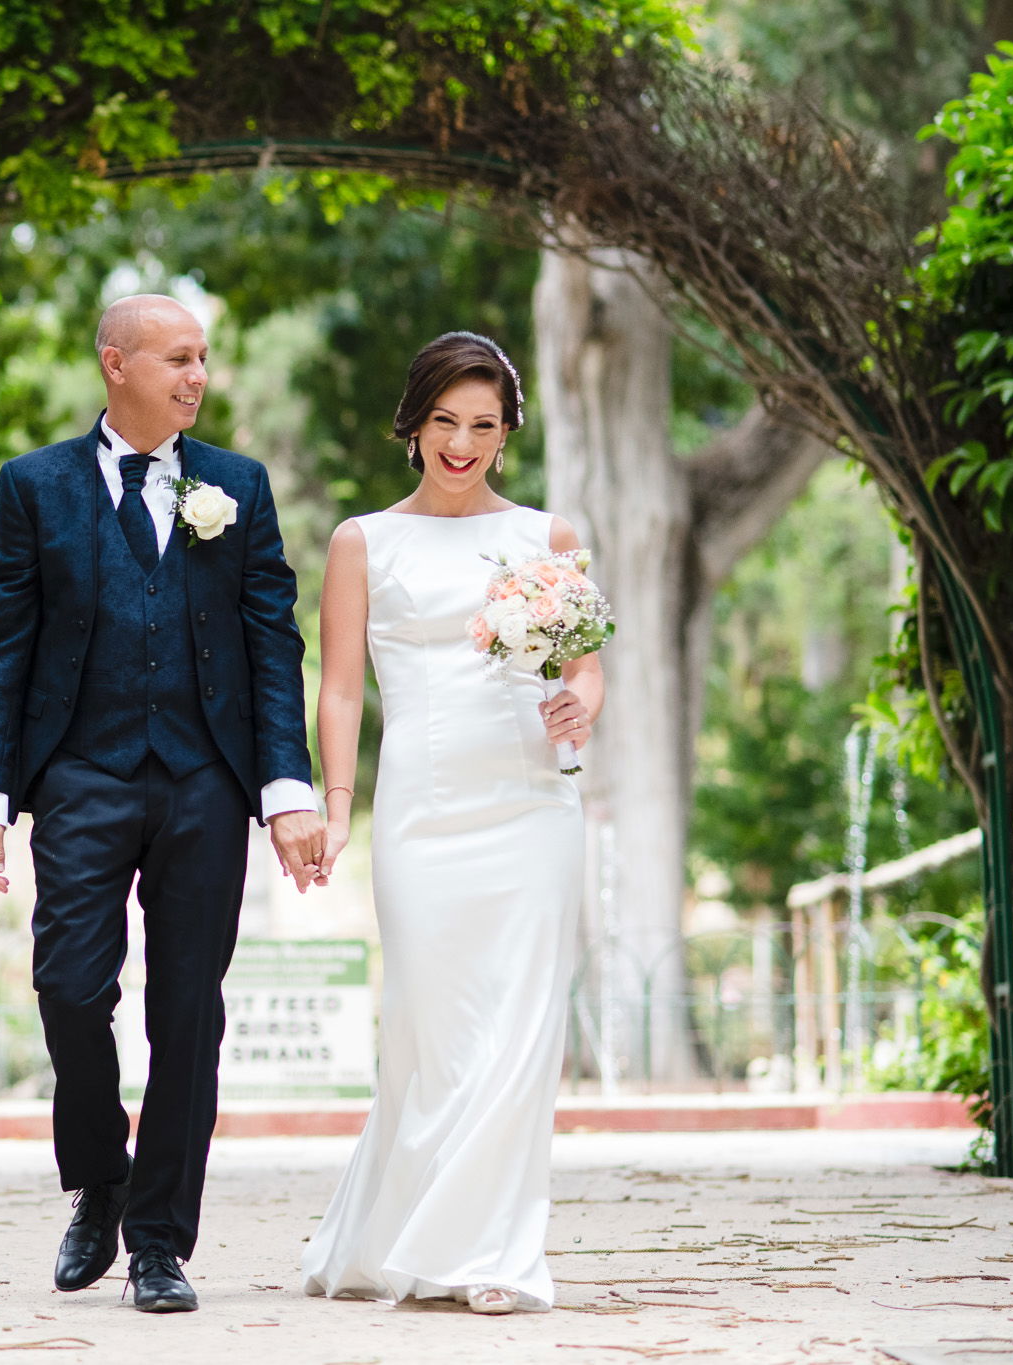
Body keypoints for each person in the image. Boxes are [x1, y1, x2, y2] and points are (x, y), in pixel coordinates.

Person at [0, 294, 327, 1313]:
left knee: (187, 1019)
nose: (196, 376)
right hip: (79, 773)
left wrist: (284, 788)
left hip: (206, 780)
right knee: (69, 988)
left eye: (203, 357)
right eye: (175, 358)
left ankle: (159, 1242)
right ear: (113, 364)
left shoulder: (235, 487)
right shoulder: (33, 487)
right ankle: (99, 1182)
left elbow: (271, 647)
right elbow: (2, 648)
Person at [299, 331, 604, 1314]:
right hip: (421, 814)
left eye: (481, 426)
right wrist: (336, 808)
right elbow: (340, 692)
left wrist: (580, 704)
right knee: (430, 1032)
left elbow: (584, 667)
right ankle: (404, 1233)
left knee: (520, 1032)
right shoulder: (363, 541)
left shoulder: (547, 538)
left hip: (530, 805)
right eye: (443, 423)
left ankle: (491, 1257)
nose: (460, 445)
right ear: (414, 425)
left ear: (506, 434)